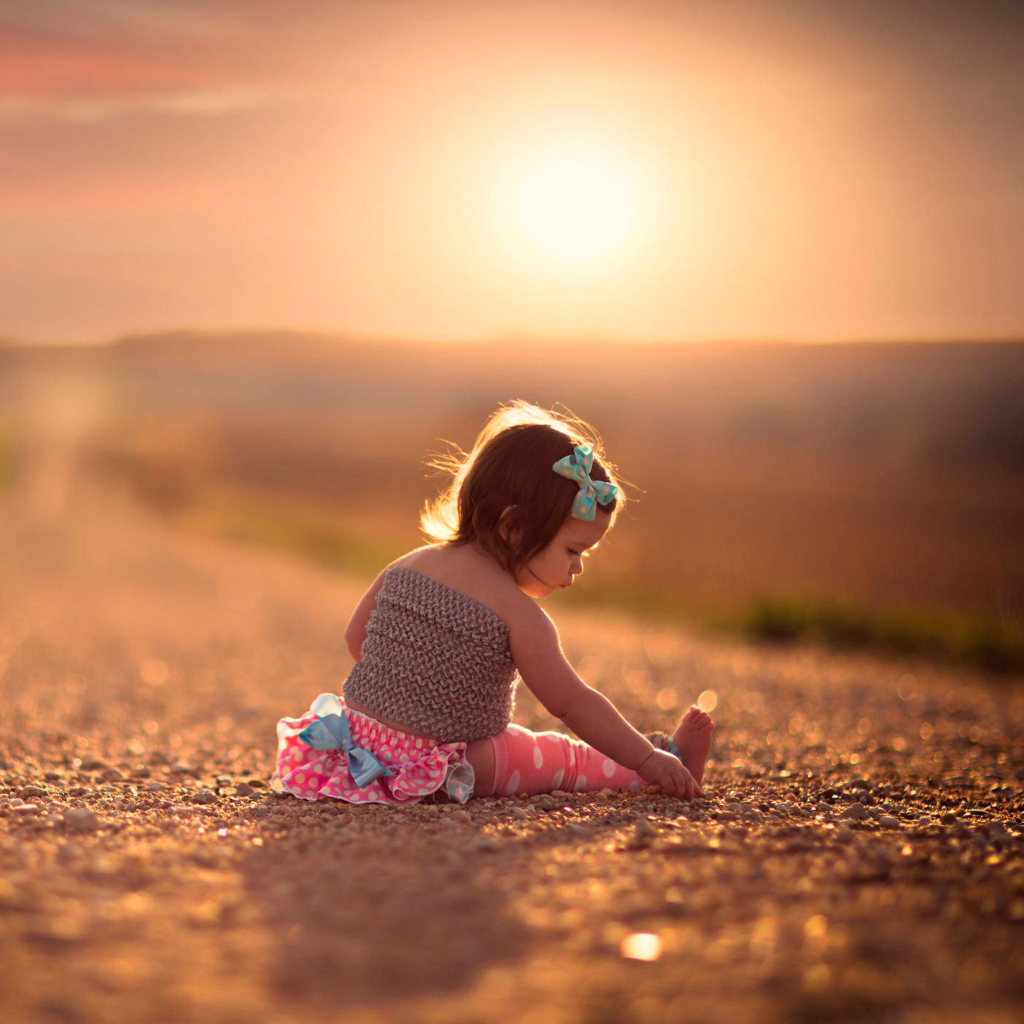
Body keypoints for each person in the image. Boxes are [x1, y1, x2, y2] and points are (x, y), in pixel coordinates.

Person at [271, 400, 714, 806]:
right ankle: (656, 764)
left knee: (523, 741)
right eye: (573, 552)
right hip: (440, 770)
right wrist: (645, 759)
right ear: (515, 528)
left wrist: (409, 687)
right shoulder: (519, 614)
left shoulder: (409, 563)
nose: (577, 569)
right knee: (554, 755)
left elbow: (357, 640)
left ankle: (651, 749)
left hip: (357, 749)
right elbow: (573, 704)